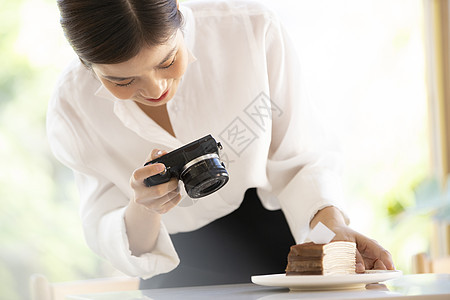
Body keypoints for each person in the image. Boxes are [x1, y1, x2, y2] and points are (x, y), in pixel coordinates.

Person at [48, 0, 394, 288]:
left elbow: (300, 158)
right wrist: (145, 207)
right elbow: (106, 229)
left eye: (168, 61)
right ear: (86, 64)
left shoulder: (251, 32)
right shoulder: (72, 107)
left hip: (281, 248)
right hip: (175, 272)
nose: (155, 89)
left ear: (180, 16)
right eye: (122, 80)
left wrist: (332, 232)